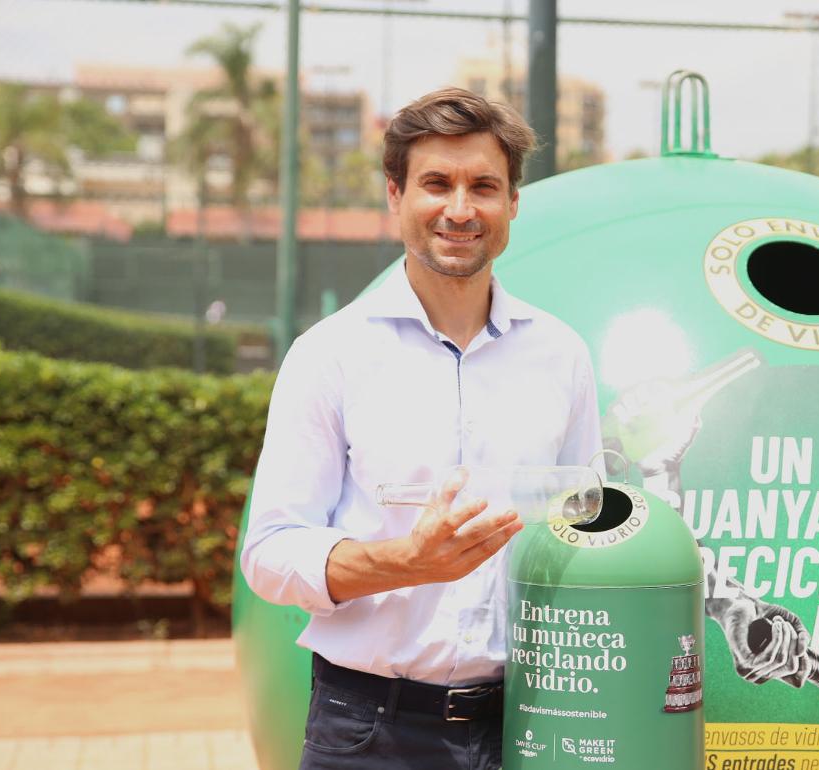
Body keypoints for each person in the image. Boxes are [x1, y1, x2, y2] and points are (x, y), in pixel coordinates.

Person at [241, 87, 602, 770]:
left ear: (513, 203)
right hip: (369, 731)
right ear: (396, 196)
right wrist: (408, 562)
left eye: (484, 187)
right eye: (437, 183)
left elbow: (580, 533)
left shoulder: (562, 355)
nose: (460, 209)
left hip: (530, 724)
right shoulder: (332, 353)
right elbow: (270, 550)